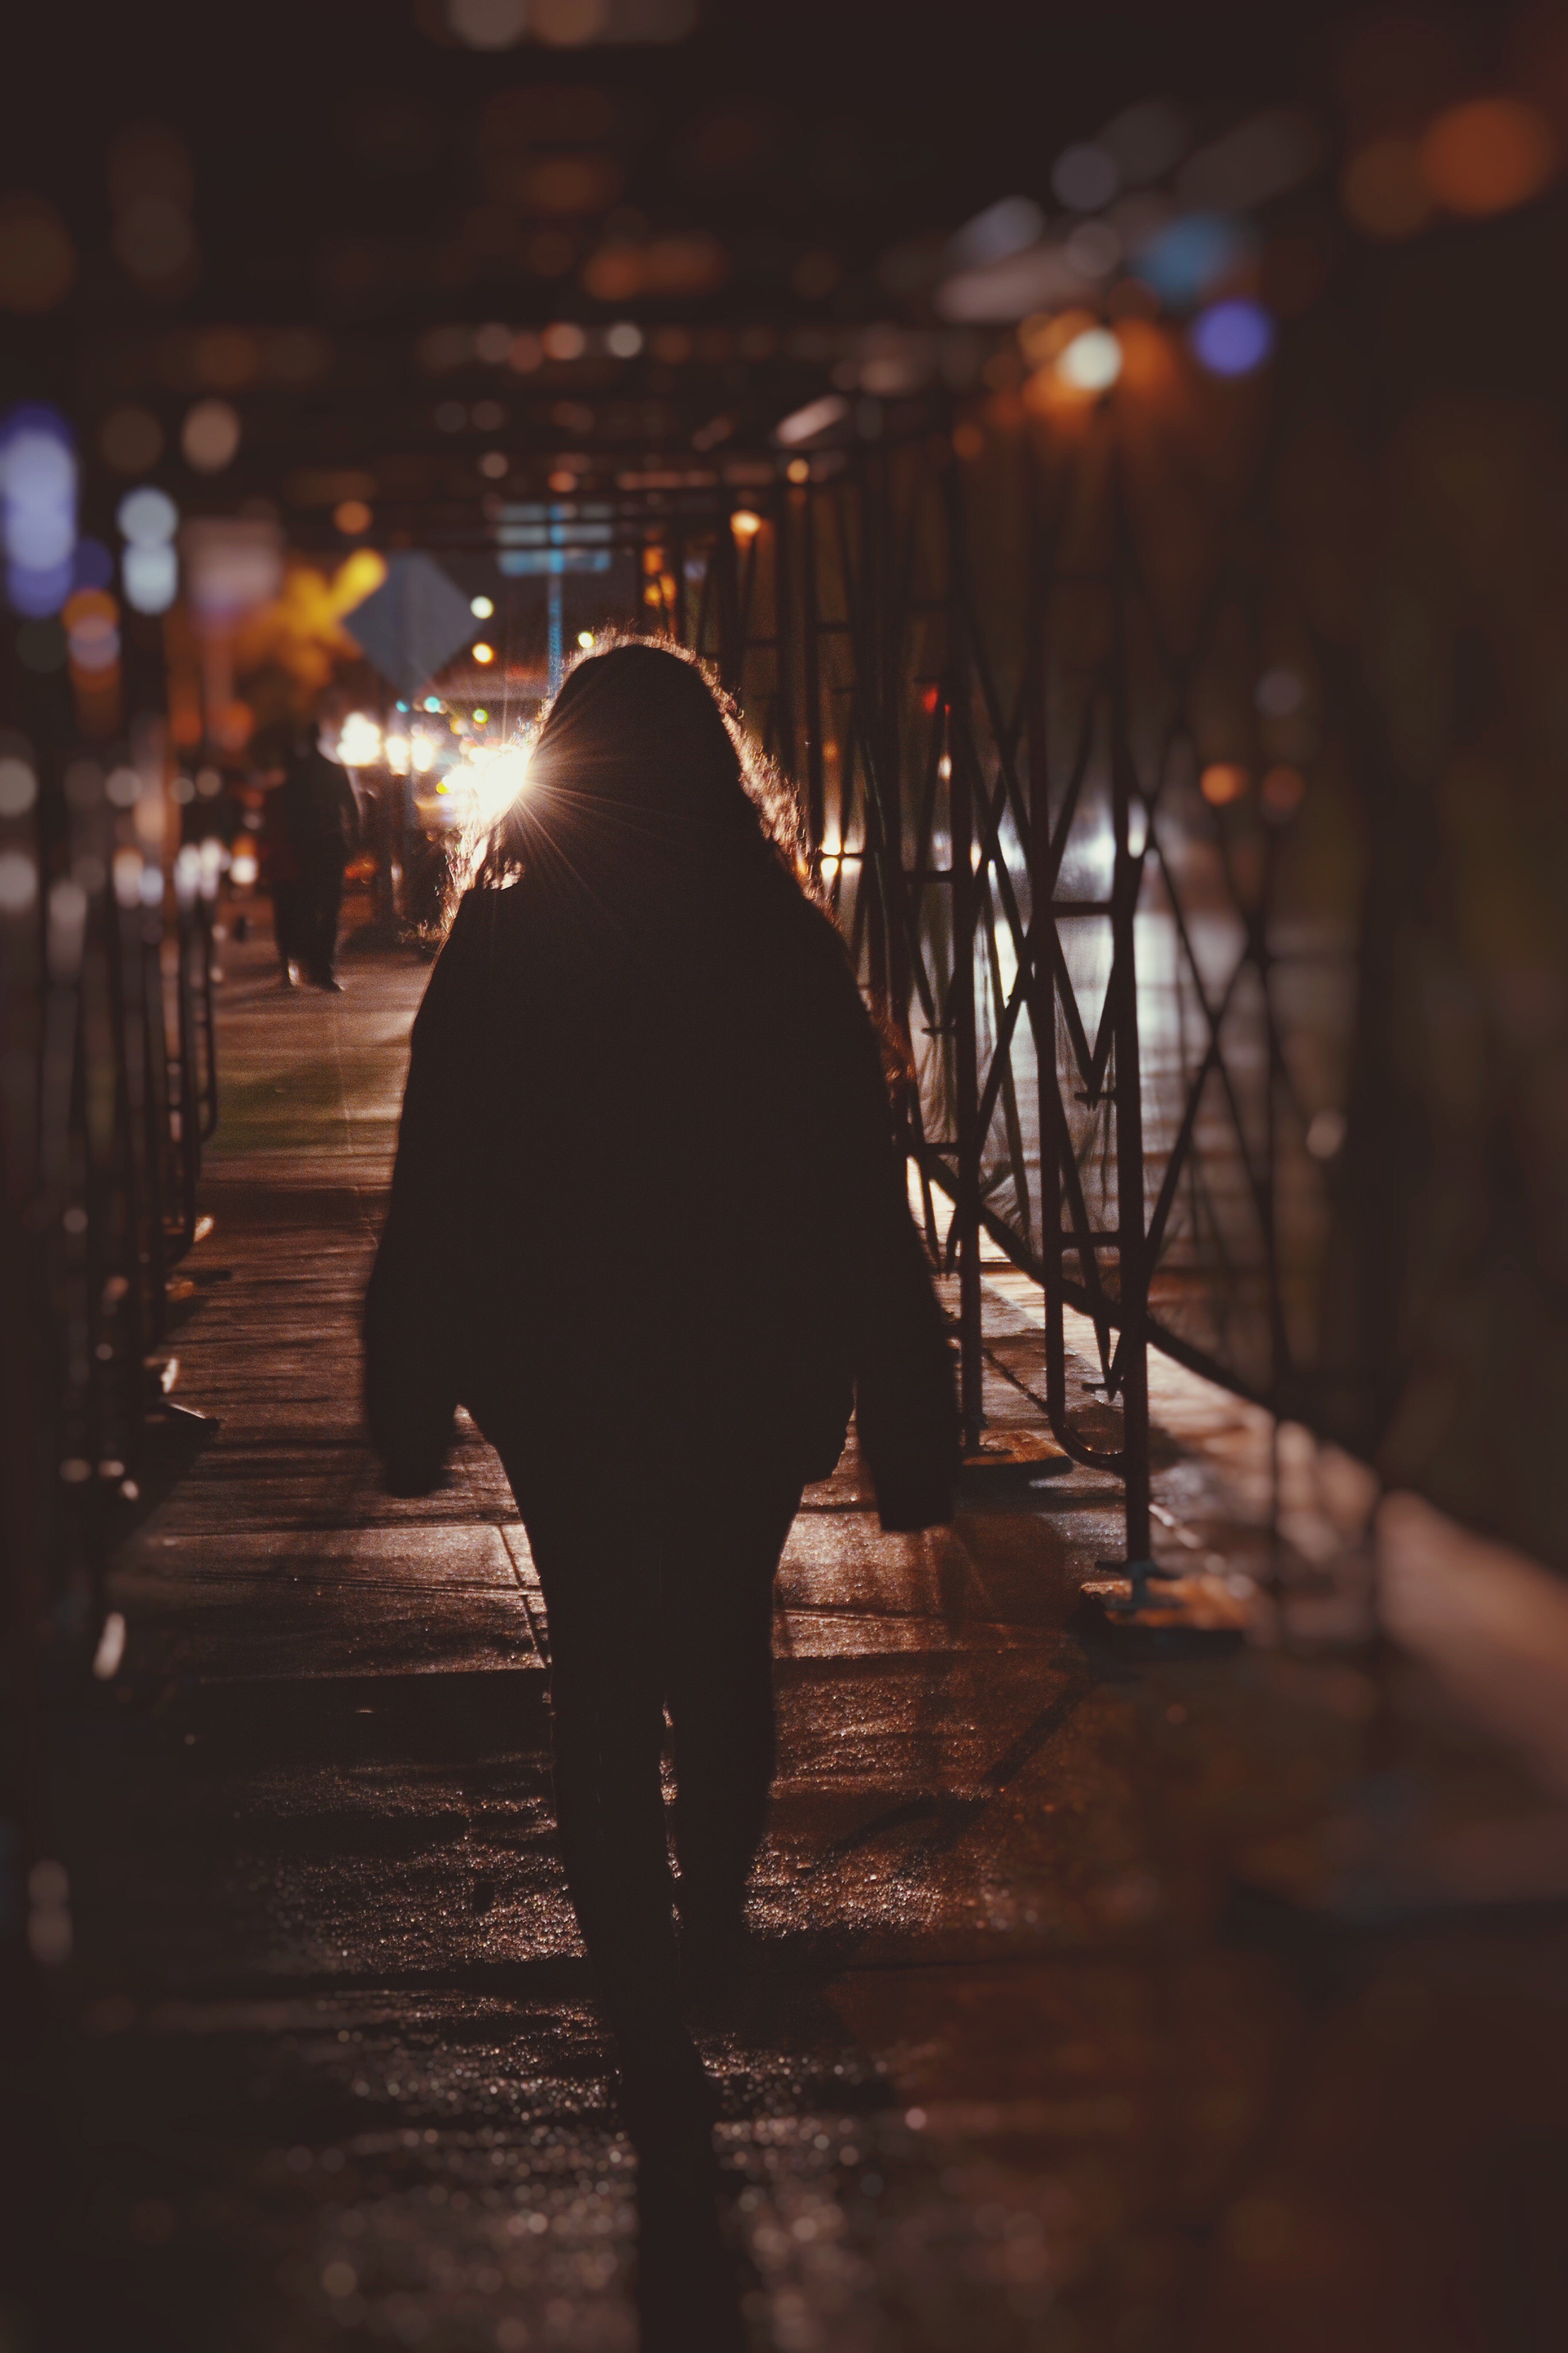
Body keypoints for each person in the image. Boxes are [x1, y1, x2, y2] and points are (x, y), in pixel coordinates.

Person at [362, 642, 959, 2167]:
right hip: (744, 1363)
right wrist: (905, 1398)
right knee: (723, 1647)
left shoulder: (504, 943)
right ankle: (711, 1925)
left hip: (565, 1372)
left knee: (603, 1685)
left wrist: (413, 1375)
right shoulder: (779, 941)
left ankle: (643, 2008)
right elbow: (855, 1187)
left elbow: (438, 1172)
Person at [278, 720, 361, 990]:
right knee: (331, 908)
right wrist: (354, 842)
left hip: (306, 846)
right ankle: (324, 968)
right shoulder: (334, 770)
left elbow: (288, 810)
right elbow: (353, 809)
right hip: (331, 843)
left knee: (309, 906)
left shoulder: (298, 773)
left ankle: (312, 964)